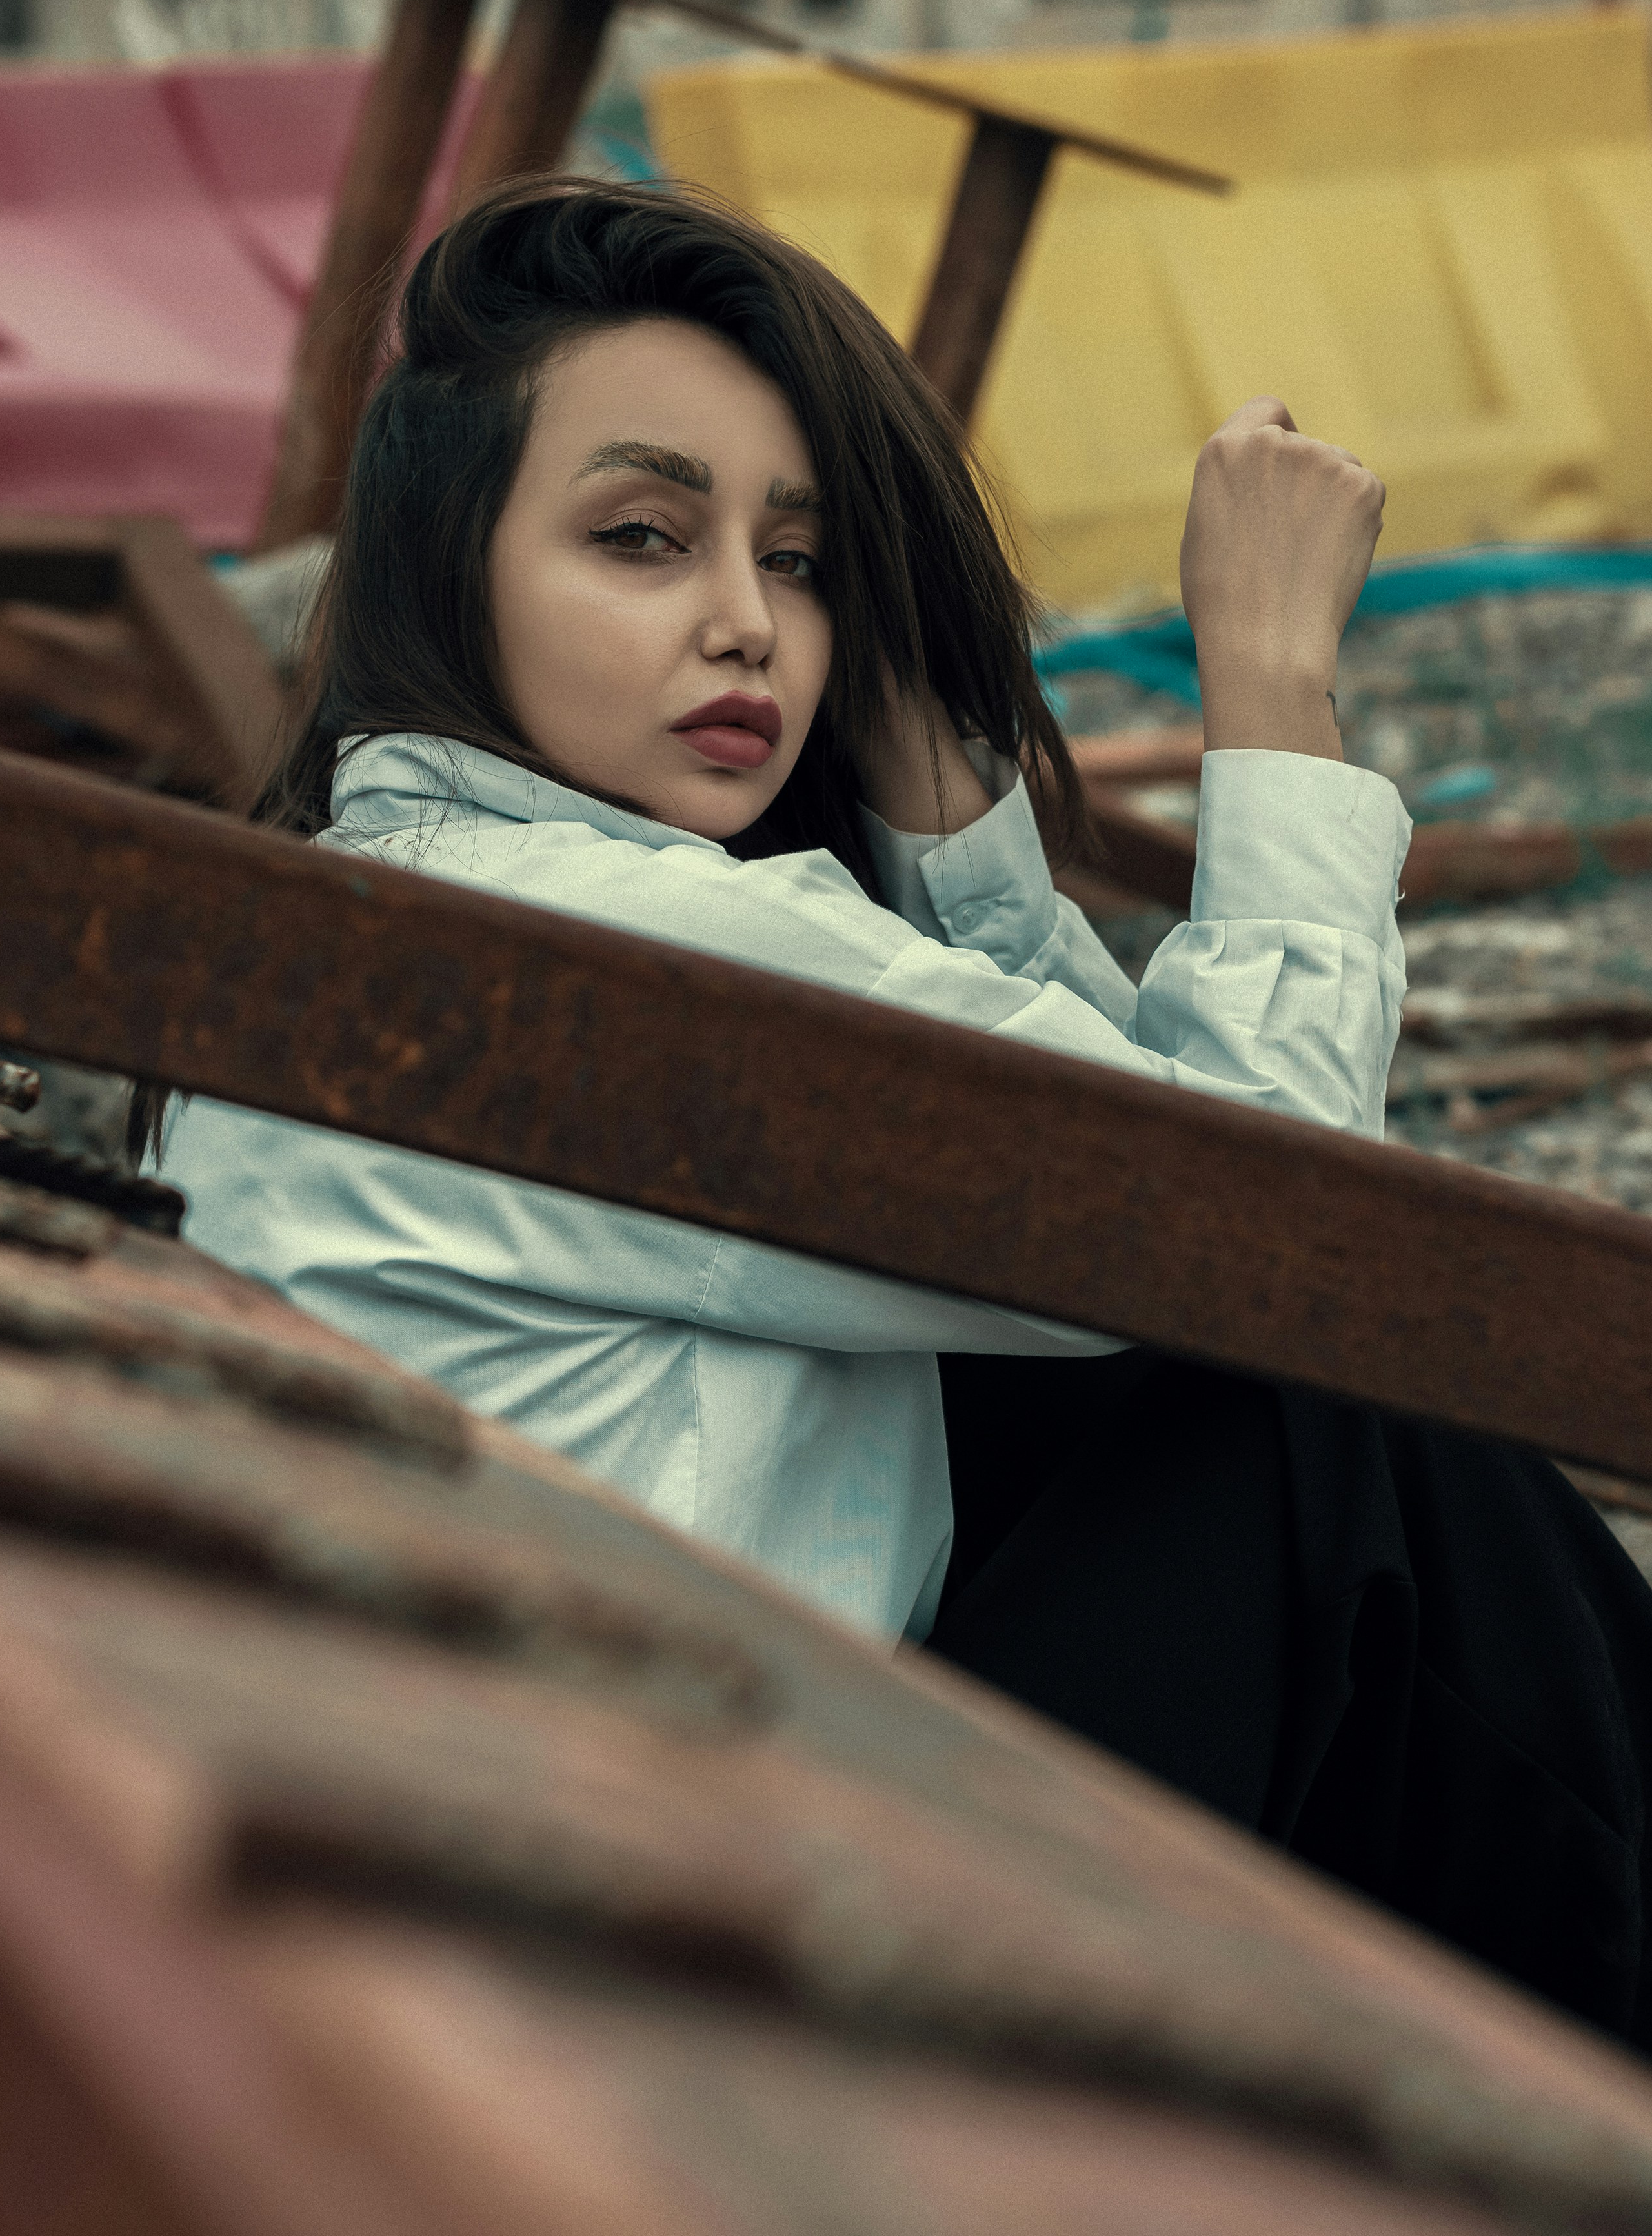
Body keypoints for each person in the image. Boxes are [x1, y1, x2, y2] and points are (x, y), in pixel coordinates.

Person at [155, 179, 1652, 2050]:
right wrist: (1266, 683)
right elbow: (1280, 1239)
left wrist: (940, 804)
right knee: (1306, 1432)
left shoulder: (412, 905)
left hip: (551, 1871)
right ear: (451, 564)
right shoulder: (603, 964)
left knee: (1176, 1386)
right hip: (682, 1967)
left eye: (796, 562)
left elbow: (1108, 1152)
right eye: (640, 538)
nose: (744, 626)